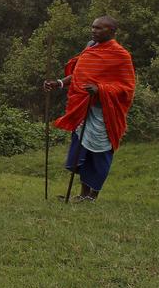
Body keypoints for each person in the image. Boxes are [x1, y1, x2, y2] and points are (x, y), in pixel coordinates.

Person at [46, 15, 136, 201]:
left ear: (111, 32)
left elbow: (127, 87)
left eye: (99, 28)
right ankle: (81, 194)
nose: (94, 31)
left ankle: (92, 196)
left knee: (99, 153)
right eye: (93, 27)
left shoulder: (120, 55)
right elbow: (78, 73)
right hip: (82, 108)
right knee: (82, 152)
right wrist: (59, 83)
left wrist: (100, 89)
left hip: (104, 113)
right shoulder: (90, 47)